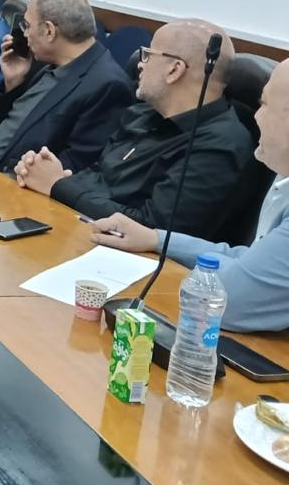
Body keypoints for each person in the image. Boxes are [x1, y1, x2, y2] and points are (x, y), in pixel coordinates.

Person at [90, 59, 289, 332]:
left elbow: (225, 302)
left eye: (264, 105)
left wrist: (217, 274)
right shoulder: (283, 181)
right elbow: (250, 260)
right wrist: (155, 239)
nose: (256, 117)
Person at [16, 19, 257, 244]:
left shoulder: (219, 144)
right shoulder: (143, 113)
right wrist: (50, 175)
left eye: (148, 55)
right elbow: (99, 175)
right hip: (77, 227)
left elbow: (151, 229)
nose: (140, 63)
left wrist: (58, 185)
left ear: (174, 70)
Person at [0, 0, 134, 174]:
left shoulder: (108, 85)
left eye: (27, 26)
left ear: (49, 31)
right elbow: (5, 127)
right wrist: (13, 84)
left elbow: (74, 167)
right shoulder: (49, 64)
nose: (24, 34)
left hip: (11, 182)